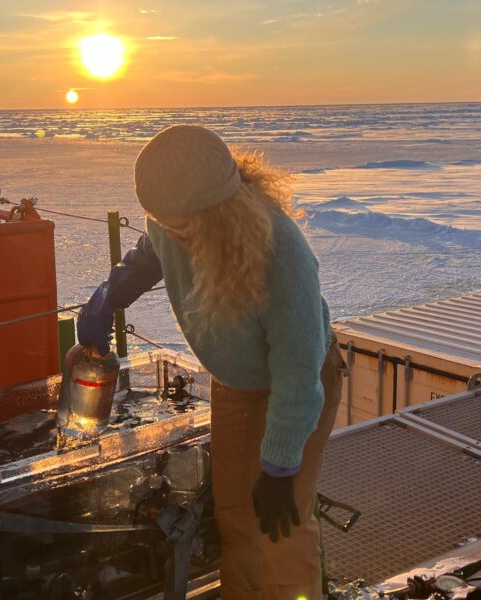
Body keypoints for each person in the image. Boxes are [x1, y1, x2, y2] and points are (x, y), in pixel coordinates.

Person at [77, 125, 344, 600]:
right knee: (237, 518)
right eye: (160, 221)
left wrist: (280, 467)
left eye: (181, 227)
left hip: (296, 388)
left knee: (281, 528)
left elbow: (298, 373)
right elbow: (152, 250)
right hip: (237, 384)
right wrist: (109, 295)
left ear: (219, 212)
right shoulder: (173, 222)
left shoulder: (281, 253)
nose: (170, 234)